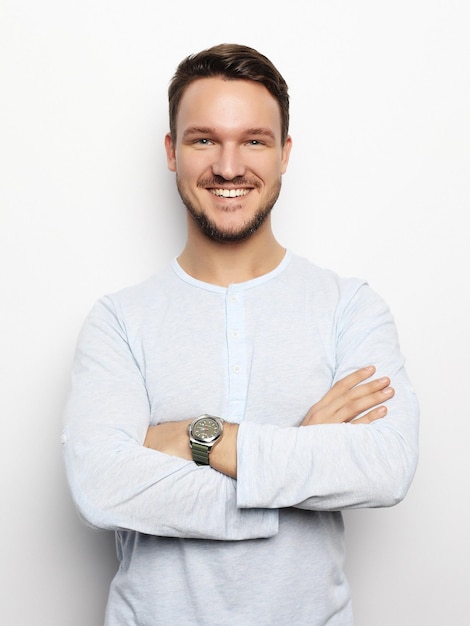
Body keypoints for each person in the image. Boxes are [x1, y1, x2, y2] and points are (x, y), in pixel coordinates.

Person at [62, 43, 419, 626]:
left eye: (253, 140)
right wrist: (301, 452)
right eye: (205, 140)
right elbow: (101, 486)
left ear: (285, 154)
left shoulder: (349, 308)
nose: (229, 167)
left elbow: (387, 464)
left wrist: (194, 438)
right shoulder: (118, 321)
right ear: (172, 153)